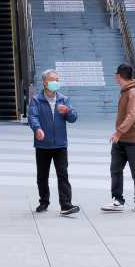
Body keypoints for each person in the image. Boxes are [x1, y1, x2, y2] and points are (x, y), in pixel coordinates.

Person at [26, 69, 80, 216]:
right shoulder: (37, 100)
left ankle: (66, 205)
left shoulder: (64, 99)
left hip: (60, 144)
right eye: (53, 80)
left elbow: (74, 118)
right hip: (43, 145)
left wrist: (67, 111)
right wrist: (37, 129)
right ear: (45, 82)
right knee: (42, 176)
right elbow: (32, 117)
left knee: (63, 174)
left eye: (57, 79)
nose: (56, 82)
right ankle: (44, 201)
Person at [105, 64, 135, 212]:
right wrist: (120, 134)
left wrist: (119, 132)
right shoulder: (125, 91)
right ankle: (117, 200)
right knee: (115, 169)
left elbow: (132, 114)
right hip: (121, 140)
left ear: (118, 76)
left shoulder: (133, 92)